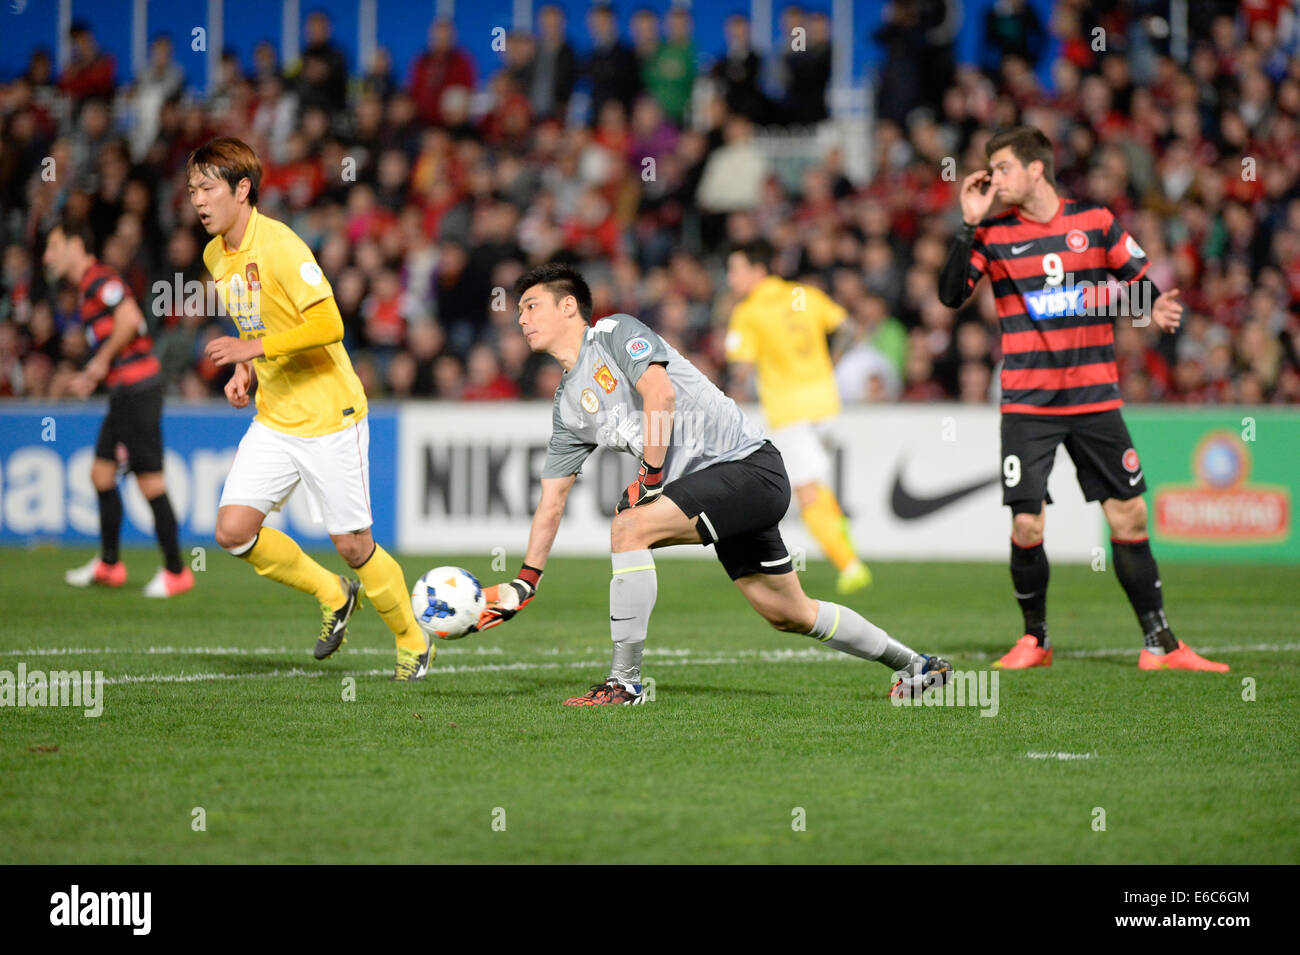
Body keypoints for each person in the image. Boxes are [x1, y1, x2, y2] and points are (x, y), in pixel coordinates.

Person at [473, 262, 951, 705]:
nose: (521, 319)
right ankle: (920, 667)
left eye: (530, 306)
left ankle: (625, 683)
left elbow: (659, 393)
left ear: (568, 306)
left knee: (629, 528)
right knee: (790, 613)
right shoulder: (567, 407)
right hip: (723, 488)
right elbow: (552, 500)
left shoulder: (614, 332)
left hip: (748, 466)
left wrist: (651, 477)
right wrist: (525, 581)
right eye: (518, 311)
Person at [937, 125, 1227, 673]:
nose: (993, 179)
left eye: (1001, 168)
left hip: (1094, 398)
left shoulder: (1094, 222)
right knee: (1028, 525)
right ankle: (1035, 640)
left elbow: (1138, 281)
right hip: (1028, 402)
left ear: (1035, 168)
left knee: (1130, 516)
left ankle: (1160, 644)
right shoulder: (993, 232)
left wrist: (1153, 308)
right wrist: (968, 225)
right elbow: (951, 295)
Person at [188, 137, 430, 681]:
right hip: (276, 415)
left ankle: (413, 639)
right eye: (192, 190)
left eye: (207, 188)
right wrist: (244, 370)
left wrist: (251, 350)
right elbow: (256, 323)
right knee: (232, 531)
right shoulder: (213, 255)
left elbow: (329, 324)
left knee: (352, 544)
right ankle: (333, 595)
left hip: (329, 414)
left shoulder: (281, 246)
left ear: (242, 190)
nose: (198, 200)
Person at [47, 216, 193, 598]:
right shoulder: (86, 288)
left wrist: (98, 363)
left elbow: (130, 318)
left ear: (76, 247)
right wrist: (95, 374)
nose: (48, 256)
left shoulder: (99, 279)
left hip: (138, 390)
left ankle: (177, 571)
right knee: (100, 474)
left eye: (54, 246)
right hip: (122, 391)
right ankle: (110, 564)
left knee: (150, 483)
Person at [724, 239, 871, 594]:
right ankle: (838, 530)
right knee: (816, 486)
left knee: (805, 493)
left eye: (736, 269)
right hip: (827, 403)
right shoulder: (803, 294)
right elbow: (850, 330)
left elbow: (740, 369)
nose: (731, 278)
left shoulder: (747, 312)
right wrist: (830, 364)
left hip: (790, 410)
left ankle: (849, 565)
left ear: (757, 271)